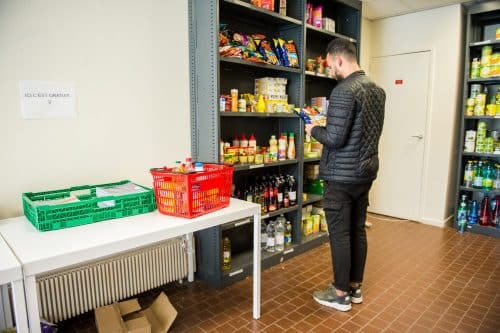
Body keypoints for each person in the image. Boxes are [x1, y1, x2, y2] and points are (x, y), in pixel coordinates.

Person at [305, 38, 385, 312]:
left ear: (339, 60)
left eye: (329, 65)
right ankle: (354, 287)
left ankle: (339, 294)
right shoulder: (377, 91)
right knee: (357, 230)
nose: (330, 70)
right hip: (364, 173)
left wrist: (313, 129)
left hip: (341, 176)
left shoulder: (343, 91)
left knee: (340, 235)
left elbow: (335, 139)